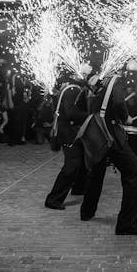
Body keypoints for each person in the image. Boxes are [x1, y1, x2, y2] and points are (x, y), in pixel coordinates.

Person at [79, 74, 137, 235]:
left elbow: (92, 103)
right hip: (109, 133)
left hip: (98, 133)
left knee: (97, 171)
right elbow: (118, 102)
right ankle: (126, 224)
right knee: (134, 172)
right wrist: (125, 117)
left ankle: (86, 212)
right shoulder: (117, 80)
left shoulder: (104, 80)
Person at [45, 79, 90, 210]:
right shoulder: (73, 90)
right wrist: (90, 115)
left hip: (70, 132)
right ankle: (53, 199)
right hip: (68, 134)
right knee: (72, 165)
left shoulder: (73, 89)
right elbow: (72, 114)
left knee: (80, 161)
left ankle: (78, 188)